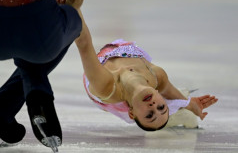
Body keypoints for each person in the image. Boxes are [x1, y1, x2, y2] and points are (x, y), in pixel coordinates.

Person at [0, 0, 84, 151]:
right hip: (39, 35)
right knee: (72, 20)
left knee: (29, 29)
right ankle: (37, 95)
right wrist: (54, 6)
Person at [73, 7, 218, 131]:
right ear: (160, 96)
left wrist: (74, 5)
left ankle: (171, 114)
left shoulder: (105, 87)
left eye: (149, 115)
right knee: (177, 100)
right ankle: (177, 111)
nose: (153, 106)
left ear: (132, 113)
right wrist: (189, 104)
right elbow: (172, 94)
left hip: (103, 89)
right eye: (161, 107)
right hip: (122, 52)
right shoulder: (157, 77)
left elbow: (84, 43)